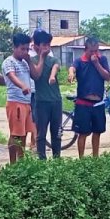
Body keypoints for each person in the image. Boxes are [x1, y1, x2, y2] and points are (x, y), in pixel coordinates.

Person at [67, 37, 110, 157]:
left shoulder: (102, 60)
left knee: (97, 132)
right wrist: (71, 73)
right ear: (85, 50)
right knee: (83, 133)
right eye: (91, 51)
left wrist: (96, 64)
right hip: (83, 103)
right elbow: (72, 67)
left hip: (98, 103)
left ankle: (95, 157)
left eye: (96, 51)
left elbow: (107, 76)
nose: (94, 53)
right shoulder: (79, 61)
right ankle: (81, 158)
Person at [1, 32, 35, 164]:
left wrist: (29, 61)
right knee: (15, 134)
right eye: (22, 49)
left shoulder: (25, 63)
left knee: (24, 134)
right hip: (15, 102)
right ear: (14, 48)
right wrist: (23, 86)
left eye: (27, 49)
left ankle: (21, 162)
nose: (25, 52)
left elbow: (34, 74)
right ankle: (12, 163)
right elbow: (12, 76)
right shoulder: (9, 62)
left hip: (26, 102)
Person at [29, 30, 62, 159]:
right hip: (41, 102)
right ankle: (42, 160)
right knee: (41, 134)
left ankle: (57, 159)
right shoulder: (32, 60)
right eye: (44, 45)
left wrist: (52, 76)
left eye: (48, 45)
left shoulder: (54, 59)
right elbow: (36, 76)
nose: (47, 47)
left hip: (56, 101)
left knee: (57, 133)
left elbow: (56, 67)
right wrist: (41, 57)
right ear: (36, 46)